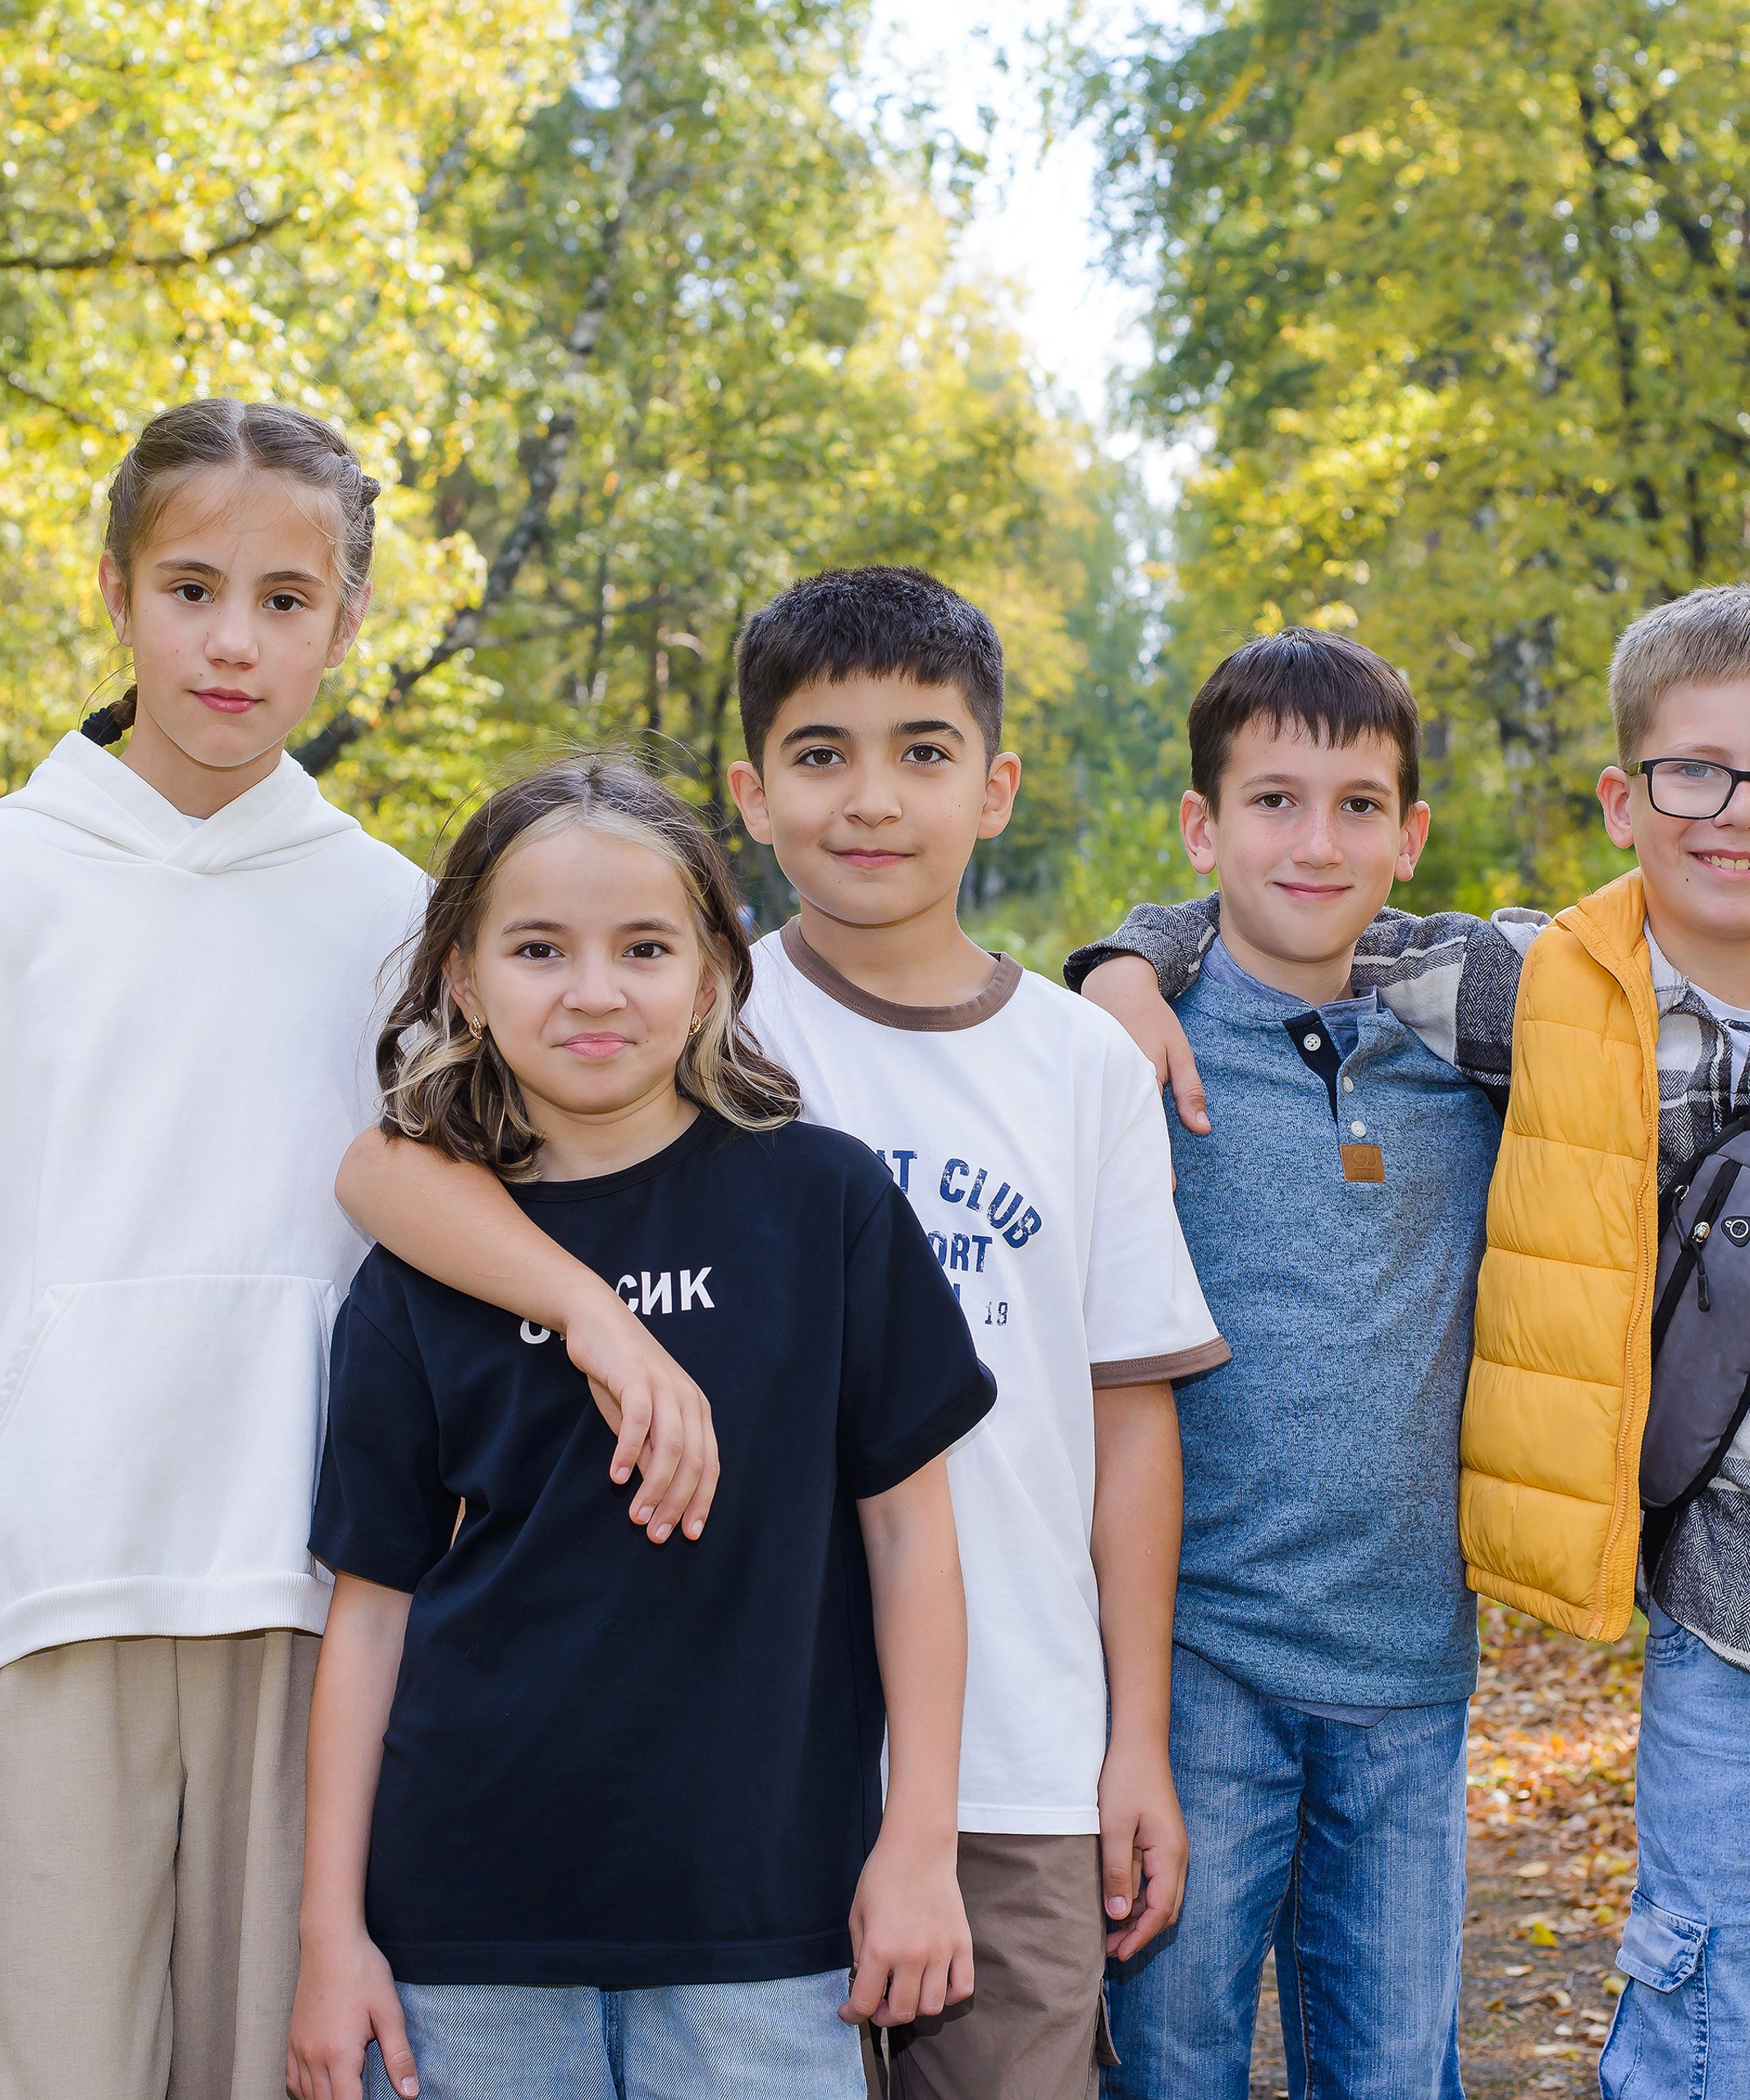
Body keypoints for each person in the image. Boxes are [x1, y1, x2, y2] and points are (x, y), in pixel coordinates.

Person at [1071, 583, 1750, 2096]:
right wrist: (1121, 960)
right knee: (1705, 2056)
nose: (1738, 813)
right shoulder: (1538, 990)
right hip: (1738, 1638)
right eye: (1693, 771)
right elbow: (1295, 907)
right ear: (1624, 798)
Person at [332, 564, 1227, 2100]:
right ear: (752, 794)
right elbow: (390, 1166)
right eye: (822, 755)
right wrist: (596, 1317)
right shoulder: (696, 1020)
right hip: (734, 1780)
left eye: (924, 753)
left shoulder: (1083, 1059)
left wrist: (1133, 1737)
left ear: (997, 786)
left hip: (1009, 1745)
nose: (871, 799)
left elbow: (1129, 1418)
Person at [0, 399, 715, 2100]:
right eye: (189, 587)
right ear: (112, 590)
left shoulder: (391, 909)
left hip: (311, 1583)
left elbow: (422, 1176)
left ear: (350, 618)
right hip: (47, 1575)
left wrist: (598, 1314)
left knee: (284, 2059)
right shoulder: (17, 874)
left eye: (286, 598)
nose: (233, 639)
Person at [286, 759, 989, 2100]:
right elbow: (370, 1615)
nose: (594, 990)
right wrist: (333, 1936)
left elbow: (912, 1544)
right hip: (464, 1934)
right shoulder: (423, 1268)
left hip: (767, 1926)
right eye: (540, 948)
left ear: (715, 976)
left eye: (645, 947)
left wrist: (918, 1846)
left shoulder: (823, 1207)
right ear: (464, 985)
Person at [1081, 628, 1496, 2100]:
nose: (1315, 843)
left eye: (1359, 806)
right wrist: (1129, 962)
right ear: (1202, 826)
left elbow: (1687, 935)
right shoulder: (1126, 1052)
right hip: (1196, 1666)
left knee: (1390, 2069)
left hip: (1407, 1669)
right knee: (1168, 2061)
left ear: (1410, 834)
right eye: (1271, 801)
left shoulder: (1478, 1046)